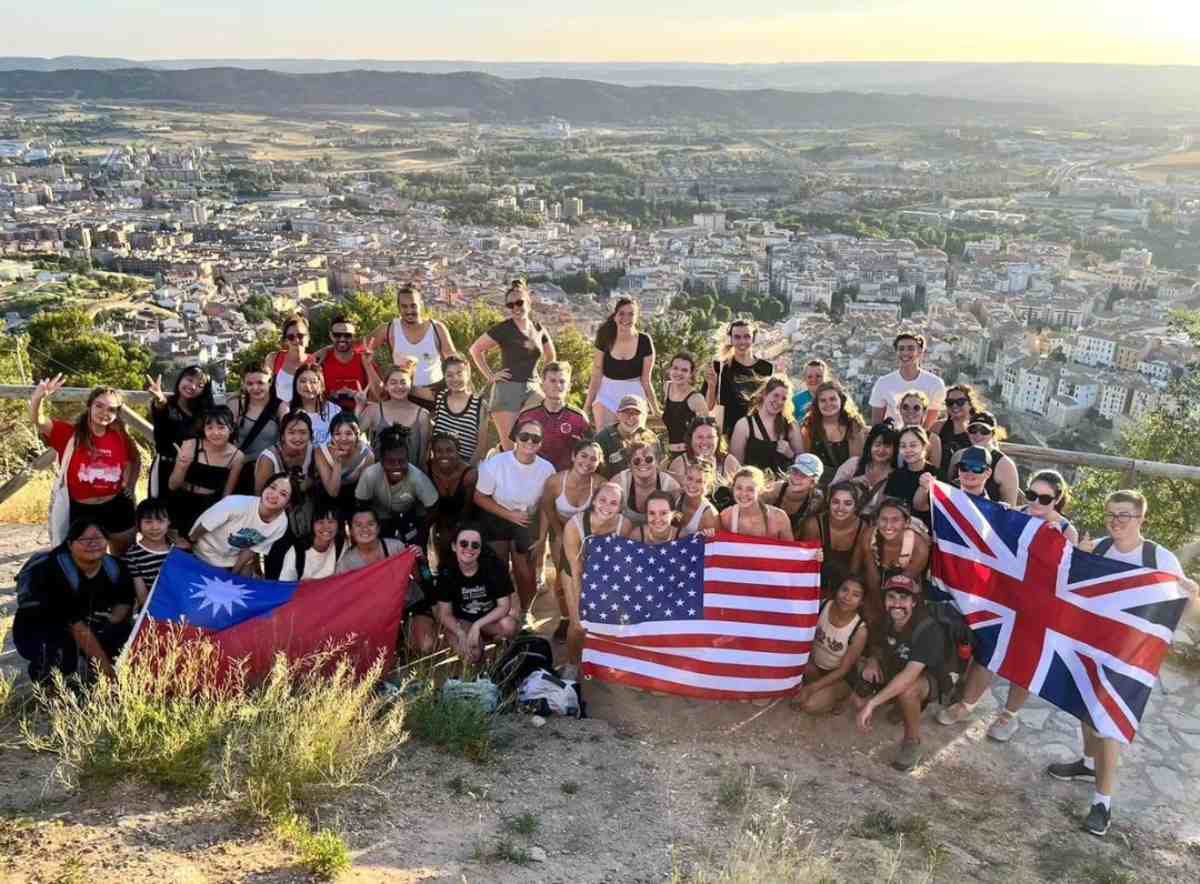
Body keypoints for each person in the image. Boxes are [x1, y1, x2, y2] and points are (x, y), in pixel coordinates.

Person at [1044, 489, 1198, 837]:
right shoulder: (1097, 548)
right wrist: (1075, 557)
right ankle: (1087, 763)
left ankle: (1103, 803)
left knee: (1106, 722)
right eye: (1111, 514)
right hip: (1091, 644)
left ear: (1141, 518)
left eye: (1124, 515)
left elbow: (1188, 615)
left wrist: (1194, 594)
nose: (1116, 521)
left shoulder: (1160, 559)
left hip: (1130, 657)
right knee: (1085, 706)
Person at [935, 467, 1079, 742]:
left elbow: (1069, 575)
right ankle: (967, 705)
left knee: (1024, 662)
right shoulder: (1013, 515)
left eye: (1045, 499)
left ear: (1057, 500)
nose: (1036, 502)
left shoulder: (1065, 530)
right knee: (988, 651)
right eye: (1032, 494)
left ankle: (1008, 716)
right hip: (1004, 597)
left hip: (1039, 605)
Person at [12, 519, 135, 684]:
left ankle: (93, 667)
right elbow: (77, 627)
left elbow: (125, 600)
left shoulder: (115, 567)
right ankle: (48, 687)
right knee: (60, 653)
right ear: (70, 544)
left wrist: (112, 622)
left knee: (124, 631)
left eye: (98, 539)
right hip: (39, 627)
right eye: (84, 540)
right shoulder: (51, 570)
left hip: (86, 620)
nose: (92, 544)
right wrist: (109, 674)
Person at [32, 378, 140, 555]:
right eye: (99, 406)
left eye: (111, 409)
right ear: (89, 405)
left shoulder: (120, 436)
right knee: (83, 561)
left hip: (116, 505)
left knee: (124, 560)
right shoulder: (69, 433)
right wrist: (38, 399)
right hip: (81, 509)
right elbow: (39, 421)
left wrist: (130, 484)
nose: (105, 412)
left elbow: (135, 459)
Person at [854, 573, 946, 772]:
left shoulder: (927, 630)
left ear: (914, 602)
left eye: (903, 598)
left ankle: (912, 741)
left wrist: (873, 703)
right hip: (895, 666)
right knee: (860, 684)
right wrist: (872, 660)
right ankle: (896, 704)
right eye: (891, 597)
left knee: (908, 691)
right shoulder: (884, 619)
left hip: (926, 678)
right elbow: (877, 644)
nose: (896, 603)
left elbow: (909, 677)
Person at [473, 418, 556, 620]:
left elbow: (546, 506)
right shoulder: (496, 463)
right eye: (524, 436)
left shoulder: (547, 469)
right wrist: (509, 515)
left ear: (541, 443)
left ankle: (526, 611)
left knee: (524, 570)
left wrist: (543, 536)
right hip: (497, 513)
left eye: (535, 438)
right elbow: (479, 497)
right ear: (515, 438)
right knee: (498, 565)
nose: (529, 441)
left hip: (527, 519)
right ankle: (498, 610)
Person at [469, 280, 556, 450]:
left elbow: (551, 355)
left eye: (519, 302)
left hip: (533, 388)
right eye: (510, 305)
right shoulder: (504, 328)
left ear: (529, 302)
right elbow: (475, 350)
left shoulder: (539, 328)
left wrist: (544, 379)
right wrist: (491, 376)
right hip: (507, 391)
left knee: (538, 439)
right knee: (511, 447)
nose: (515, 307)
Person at [336, 506, 436, 654]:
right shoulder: (346, 563)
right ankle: (398, 640)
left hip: (409, 605)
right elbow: (345, 602)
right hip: (375, 616)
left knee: (426, 645)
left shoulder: (395, 547)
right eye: (358, 525)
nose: (365, 529)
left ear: (378, 528)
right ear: (350, 530)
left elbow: (419, 578)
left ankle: (408, 636)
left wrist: (419, 559)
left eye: (370, 524)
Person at [560, 482, 627, 679]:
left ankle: (601, 660)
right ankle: (572, 664)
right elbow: (575, 568)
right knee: (578, 625)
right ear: (594, 500)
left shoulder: (625, 525)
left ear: (620, 507)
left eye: (613, 503)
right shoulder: (575, 525)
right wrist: (581, 605)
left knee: (607, 621)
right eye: (602, 500)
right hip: (574, 573)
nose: (606, 506)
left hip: (604, 577)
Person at [539, 440, 605, 641]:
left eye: (593, 458)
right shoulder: (555, 482)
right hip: (561, 532)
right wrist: (557, 535)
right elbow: (548, 508)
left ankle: (591, 617)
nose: (587, 461)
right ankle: (567, 618)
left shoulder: (601, 484)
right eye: (583, 455)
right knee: (562, 578)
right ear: (573, 457)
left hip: (590, 537)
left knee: (589, 579)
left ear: (598, 462)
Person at [434, 522, 519, 664]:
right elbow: (444, 613)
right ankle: (476, 641)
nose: (469, 548)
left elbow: (504, 606)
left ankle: (487, 638)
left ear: (480, 549)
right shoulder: (446, 572)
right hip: (462, 621)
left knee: (509, 626)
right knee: (471, 656)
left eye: (475, 545)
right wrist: (460, 632)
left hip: (488, 619)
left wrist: (477, 625)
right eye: (463, 543)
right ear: (454, 546)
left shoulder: (494, 567)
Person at [365, 284, 456, 409]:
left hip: (434, 395)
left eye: (413, 305)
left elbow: (453, 361)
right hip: (403, 396)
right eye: (404, 306)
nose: (409, 311)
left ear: (421, 304)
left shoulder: (437, 328)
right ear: (398, 308)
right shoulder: (389, 329)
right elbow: (363, 347)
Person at [186, 473, 293, 576]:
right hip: (203, 553)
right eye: (272, 487)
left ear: (288, 504)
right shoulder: (236, 504)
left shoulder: (281, 523)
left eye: (283, 494)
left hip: (231, 560)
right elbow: (202, 527)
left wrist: (233, 575)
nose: (274, 495)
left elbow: (251, 550)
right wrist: (188, 548)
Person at [167, 405, 245, 536]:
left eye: (221, 427)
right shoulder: (191, 444)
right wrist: (181, 466)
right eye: (209, 427)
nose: (215, 432)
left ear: (231, 428)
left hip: (209, 509)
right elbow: (173, 486)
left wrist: (217, 519)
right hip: (181, 504)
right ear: (203, 429)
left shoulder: (237, 456)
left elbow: (226, 496)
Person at [354, 427, 440, 545]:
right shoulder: (370, 475)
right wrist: (372, 527)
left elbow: (433, 507)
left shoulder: (417, 478)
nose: (397, 466)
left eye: (401, 461)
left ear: (408, 460)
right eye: (391, 461)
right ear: (382, 461)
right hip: (381, 513)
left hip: (412, 512)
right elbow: (362, 505)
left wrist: (421, 534)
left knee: (414, 545)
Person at [795, 577, 868, 714]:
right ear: (837, 590)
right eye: (844, 590)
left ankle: (842, 696)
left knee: (809, 705)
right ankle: (819, 688)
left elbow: (844, 670)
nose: (847, 597)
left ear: (861, 602)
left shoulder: (860, 630)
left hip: (840, 677)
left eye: (855, 595)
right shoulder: (822, 606)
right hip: (815, 666)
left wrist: (812, 688)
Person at [585, 297, 657, 429]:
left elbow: (646, 380)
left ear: (636, 317)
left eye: (631, 314)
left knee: (634, 441)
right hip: (607, 393)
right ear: (615, 316)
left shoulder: (644, 341)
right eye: (622, 313)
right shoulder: (605, 338)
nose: (626, 318)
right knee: (604, 437)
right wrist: (586, 406)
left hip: (634, 395)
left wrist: (656, 410)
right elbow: (596, 376)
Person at [146, 365, 214, 497]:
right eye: (189, 380)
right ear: (180, 378)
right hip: (166, 467)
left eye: (200, 385)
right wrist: (159, 398)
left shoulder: (201, 412)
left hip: (192, 470)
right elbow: (161, 407)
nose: (192, 386)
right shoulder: (168, 404)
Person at [860, 498, 930, 622]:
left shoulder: (919, 548)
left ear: (907, 522)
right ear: (877, 520)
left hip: (905, 588)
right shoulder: (869, 537)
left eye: (895, 520)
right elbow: (872, 579)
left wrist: (886, 616)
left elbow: (902, 586)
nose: (888, 526)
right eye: (883, 519)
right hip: (875, 587)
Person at [704, 320, 775, 439]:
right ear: (730, 339)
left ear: (753, 339)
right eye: (737, 337)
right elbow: (708, 407)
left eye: (747, 336)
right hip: (729, 434)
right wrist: (712, 386)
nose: (742, 341)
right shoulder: (719, 367)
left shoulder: (766, 368)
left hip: (758, 433)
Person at [515, 361, 591, 471]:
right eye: (552, 381)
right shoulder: (527, 416)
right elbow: (514, 450)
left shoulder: (579, 419)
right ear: (542, 385)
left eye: (562, 381)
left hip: (566, 480)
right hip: (531, 477)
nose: (557, 385)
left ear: (569, 387)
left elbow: (591, 451)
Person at [799, 481, 867, 600]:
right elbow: (806, 565)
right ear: (828, 503)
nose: (840, 508)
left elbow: (854, 571)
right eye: (835, 502)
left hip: (844, 590)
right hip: (814, 584)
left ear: (856, 506)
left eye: (848, 503)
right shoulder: (813, 525)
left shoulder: (863, 528)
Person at [868, 331, 945, 428]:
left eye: (911, 348)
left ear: (920, 351)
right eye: (901, 349)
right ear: (896, 352)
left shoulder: (935, 383)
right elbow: (876, 424)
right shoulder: (883, 383)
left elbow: (930, 425)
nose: (905, 353)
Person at [729, 375, 804, 475]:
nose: (779, 401)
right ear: (765, 394)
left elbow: (803, 466)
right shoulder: (744, 425)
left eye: (784, 398)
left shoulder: (791, 426)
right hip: (753, 487)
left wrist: (790, 454)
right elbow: (735, 467)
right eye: (776, 395)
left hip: (781, 486)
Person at [359, 364, 431, 468]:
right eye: (393, 383)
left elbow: (423, 454)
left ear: (410, 385)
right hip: (380, 476)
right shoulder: (374, 411)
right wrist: (359, 407)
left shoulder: (422, 415)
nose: (399, 387)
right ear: (386, 386)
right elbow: (352, 435)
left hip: (410, 476)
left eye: (403, 382)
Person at [943, 411, 1019, 507]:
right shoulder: (958, 456)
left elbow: (1011, 507)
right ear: (967, 432)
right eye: (973, 430)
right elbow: (948, 488)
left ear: (993, 433)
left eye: (984, 431)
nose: (978, 434)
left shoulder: (1005, 465)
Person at [229, 368, 284, 494]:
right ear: (243, 384)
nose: (255, 388)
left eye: (260, 383)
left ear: (270, 382)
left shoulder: (280, 407)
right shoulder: (236, 405)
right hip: (240, 471)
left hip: (270, 471)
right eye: (250, 384)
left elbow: (286, 439)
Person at [314, 411, 374, 522]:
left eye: (348, 433)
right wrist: (337, 462)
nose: (343, 439)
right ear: (331, 436)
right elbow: (333, 492)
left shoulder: (367, 456)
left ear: (357, 435)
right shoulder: (320, 453)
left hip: (353, 500)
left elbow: (364, 494)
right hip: (325, 499)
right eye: (337, 434)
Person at [668, 416, 740, 509]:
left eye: (710, 437)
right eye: (699, 437)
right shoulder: (680, 464)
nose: (705, 442)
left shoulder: (729, 462)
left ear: (718, 439)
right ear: (690, 439)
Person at [314, 314, 381, 414]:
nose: (342, 339)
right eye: (337, 335)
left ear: (354, 336)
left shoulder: (363, 359)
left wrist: (368, 365)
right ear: (331, 335)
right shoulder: (322, 359)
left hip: (360, 415)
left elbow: (380, 395)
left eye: (347, 335)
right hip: (328, 416)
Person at [800, 380, 866, 482]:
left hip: (843, 484)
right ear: (817, 404)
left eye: (832, 399)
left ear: (841, 400)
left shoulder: (853, 426)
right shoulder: (810, 425)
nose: (828, 404)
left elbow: (855, 465)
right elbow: (805, 457)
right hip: (815, 484)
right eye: (823, 400)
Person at [428, 432, 477, 567]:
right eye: (438, 451)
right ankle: (436, 572)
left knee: (454, 546)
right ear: (432, 452)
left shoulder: (469, 474)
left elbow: (467, 510)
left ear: (457, 452)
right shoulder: (427, 469)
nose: (444, 455)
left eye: (450, 450)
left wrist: (454, 531)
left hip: (464, 517)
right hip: (438, 517)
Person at [431, 353, 488, 466]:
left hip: (466, 466)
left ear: (468, 374)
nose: (455, 379)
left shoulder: (479, 404)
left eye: (459, 373)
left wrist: (465, 472)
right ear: (445, 377)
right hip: (439, 465)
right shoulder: (439, 398)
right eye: (450, 375)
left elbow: (481, 447)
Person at [832, 420, 898, 516]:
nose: (881, 450)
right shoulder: (853, 464)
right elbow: (830, 491)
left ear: (894, 449)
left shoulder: (896, 476)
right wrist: (850, 484)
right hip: (844, 519)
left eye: (887, 446)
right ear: (870, 445)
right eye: (877, 444)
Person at [613, 438, 682, 527]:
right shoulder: (619, 483)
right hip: (627, 536)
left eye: (649, 459)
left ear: (657, 462)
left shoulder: (669, 485)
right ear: (629, 465)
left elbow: (679, 519)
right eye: (637, 461)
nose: (643, 463)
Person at [882, 426, 936, 531]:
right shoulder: (896, 475)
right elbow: (888, 506)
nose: (908, 450)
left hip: (927, 533)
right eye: (903, 446)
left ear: (924, 446)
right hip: (898, 528)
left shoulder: (937, 475)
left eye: (913, 445)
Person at [123, 497, 173, 609]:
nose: (155, 527)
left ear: (169, 522)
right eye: (148, 522)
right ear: (138, 524)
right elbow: (143, 598)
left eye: (160, 521)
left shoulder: (177, 550)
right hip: (154, 611)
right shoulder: (132, 556)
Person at [718, 466, 792, 540]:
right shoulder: (726, 516)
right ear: (733, 488)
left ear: (760, 490)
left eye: (750, 489)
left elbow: (791, 550)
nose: (744, 494)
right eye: (739, 488)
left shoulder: (779, 517)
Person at [278, 501, 344, 581]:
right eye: (320, 522)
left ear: (338, 525)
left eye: (331, 522)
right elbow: (285, 584)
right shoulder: (297, 552)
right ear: (312, 524)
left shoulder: (341, 545)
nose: (326, 527)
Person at [661, 352, 709, 457]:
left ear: (691, 374)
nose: (678, 373)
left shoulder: (696, 398)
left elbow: (707, 431)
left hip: (688, 455)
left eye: (684, 370)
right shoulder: (667, 387)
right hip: (667, 453)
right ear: (669, 369)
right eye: (675, 368)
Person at [932, 383, 984, 479]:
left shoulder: (979, 430)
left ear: (970, 404)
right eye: (950, 402)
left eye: (960, 402)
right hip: (940, 482)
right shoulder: (938, 427)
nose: (954, 406)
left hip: (968, 482)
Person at [767, 453, 827, 537]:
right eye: (795, 471)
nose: (797, 477)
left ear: (813, 482)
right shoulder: (773, 490)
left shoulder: (817, 500)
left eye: (803, 475)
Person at [595, 394, 654, 479]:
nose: (630, 417)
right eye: (626, 412)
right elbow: (594, 472)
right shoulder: (603, 438)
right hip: (612, 487)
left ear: (643, 416)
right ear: (618, 415)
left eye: (636, 413)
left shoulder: (650, 437)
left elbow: (658, 468)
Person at [289, 364, 342, 448]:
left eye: (313, 382)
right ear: (295, 384)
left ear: (321, 386)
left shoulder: (334, 410)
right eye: (303, 381)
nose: (308, 386)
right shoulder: (287, 409)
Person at [265, 315, 315, 403]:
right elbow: (261, 383)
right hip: (279, 413)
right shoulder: (274, 359)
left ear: (308, 338)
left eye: (300, 335)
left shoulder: (315, 362)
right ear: (286, 341)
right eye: (291, 337)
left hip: (305, 413)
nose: (296, 340)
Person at [895, 390, 943, 470]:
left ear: (924, 412)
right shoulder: (893, 435)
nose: (910, 411)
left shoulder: (933, 439)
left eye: (916, 408)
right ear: (900, 410)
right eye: (905, 407)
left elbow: (935, 472)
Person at [677, 458, 720, 538]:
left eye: (699, 481)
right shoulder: (676, 496)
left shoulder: (709, 515)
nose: (692, 485)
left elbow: (713, 546)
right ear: (684, 478)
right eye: (690, 478)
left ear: (708, 486)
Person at [791, 359, 830, 423]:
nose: (814, 380)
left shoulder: (834, 398)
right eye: (809, 377)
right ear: (804, 378)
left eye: (818, 376)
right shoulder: (795, 400)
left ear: (825, 377)